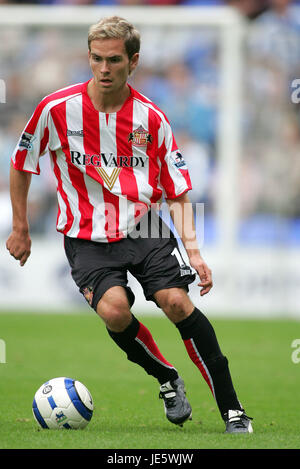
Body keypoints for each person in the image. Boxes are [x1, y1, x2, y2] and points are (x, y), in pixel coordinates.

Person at [6, 16, 252, 433]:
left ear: (133, 62)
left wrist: (194, 250)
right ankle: (166, 378)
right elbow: (21, 163)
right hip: (84, 235)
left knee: (177, 302)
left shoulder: (152, 119)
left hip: (144, 227)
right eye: (97, 59)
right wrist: (20, 227)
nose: (104, 68)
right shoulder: (55, 109)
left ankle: (232, 410)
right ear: (88, 57)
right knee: (115, 311)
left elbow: (176, 190)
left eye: (114, 60)